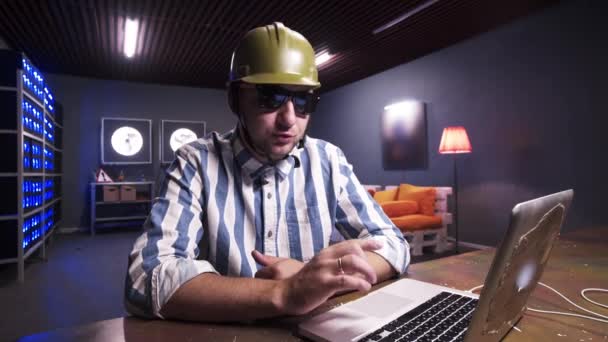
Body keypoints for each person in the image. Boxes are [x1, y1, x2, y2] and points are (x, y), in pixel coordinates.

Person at [124, 22, 410, 322]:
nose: (289, 119)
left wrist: (322, 278)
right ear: (235, 99)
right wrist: (286, 293)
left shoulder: (329, 160)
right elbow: (146, 279)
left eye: (303, 101)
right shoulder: (195, 161)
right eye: (270, 98)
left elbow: (393, 245)